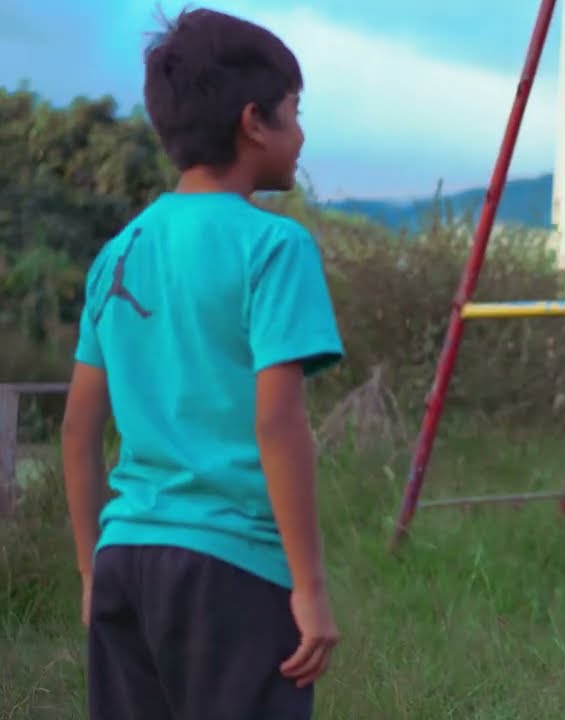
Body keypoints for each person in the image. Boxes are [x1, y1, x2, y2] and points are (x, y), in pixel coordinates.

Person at [60, 8, 343, 719]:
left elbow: (76, 429)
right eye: (294, 113)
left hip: (126, 557)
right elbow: (278, 422)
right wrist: (307, 586)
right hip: (234, 573)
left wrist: (93, 568)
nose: (301, 133)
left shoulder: (118, 253)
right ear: (255, 121)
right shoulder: (274, 247)